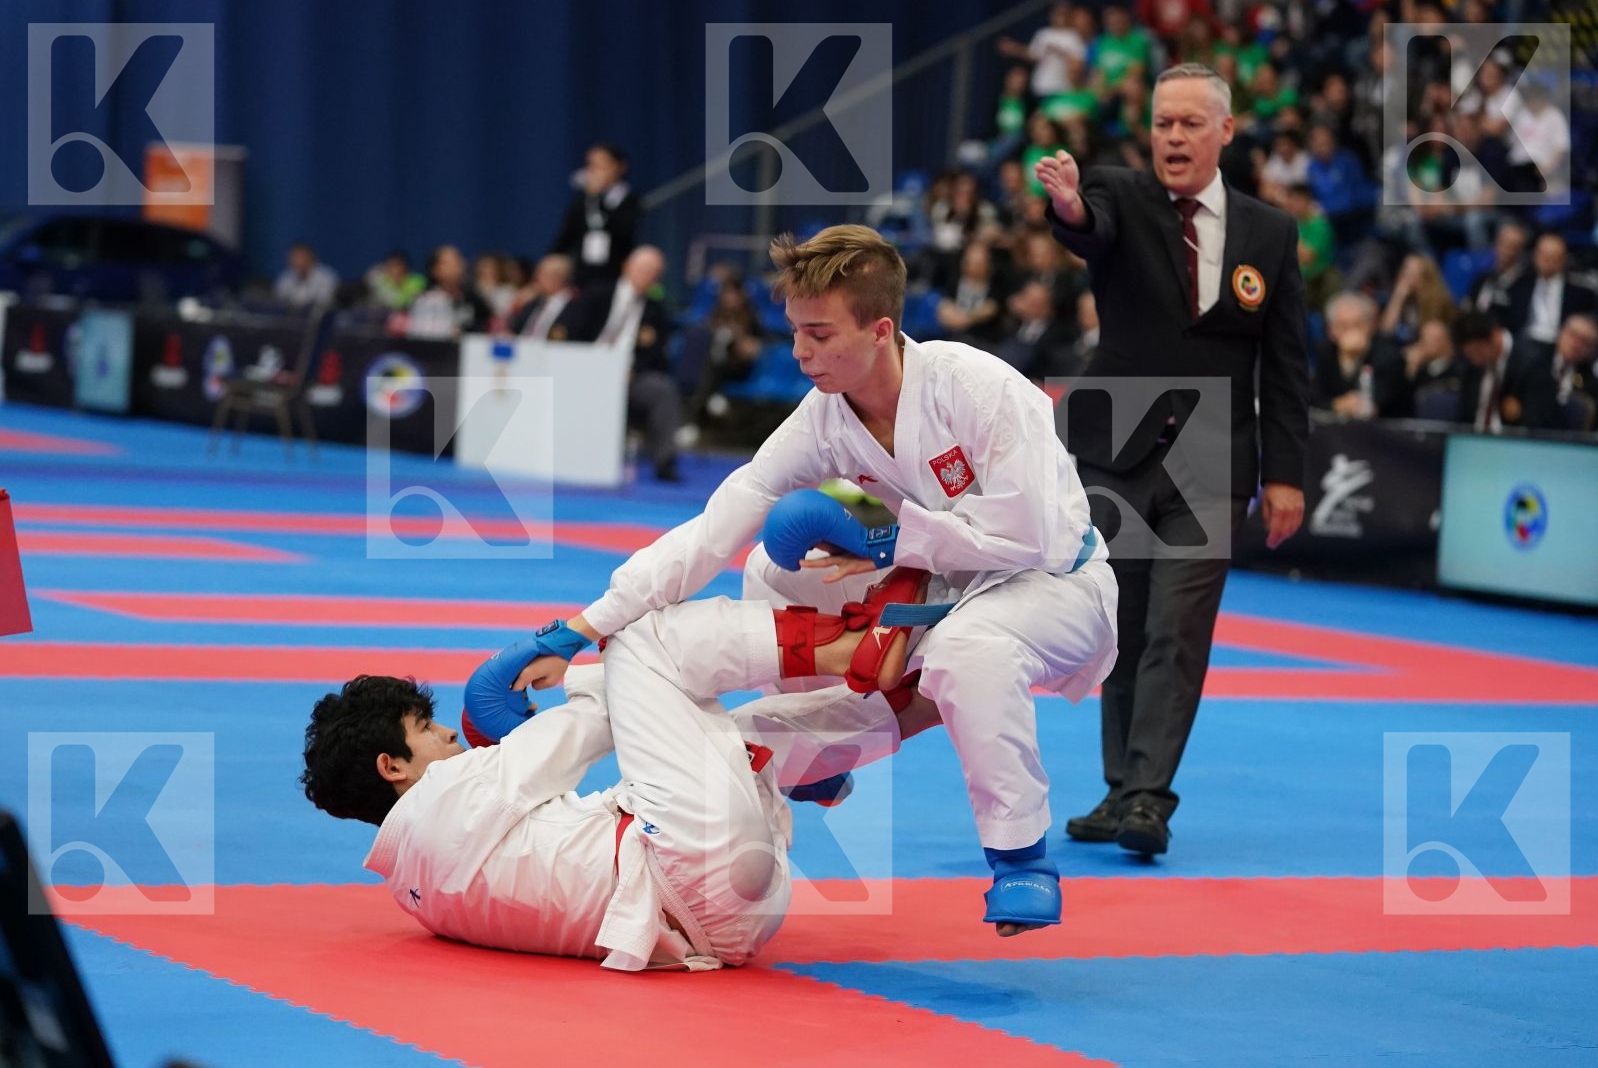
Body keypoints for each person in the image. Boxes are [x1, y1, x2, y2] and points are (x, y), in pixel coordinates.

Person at [487, 223, 1119, 936]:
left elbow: (1039, 535)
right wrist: (581, 627)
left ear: (880, 330)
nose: (799, 353)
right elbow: (712, 529)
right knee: (769, 565)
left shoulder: (978, 389)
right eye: (794, 332)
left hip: (1056, 587)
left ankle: (1020, 858)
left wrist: (890, 542)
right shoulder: (823, 419)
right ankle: (822, 759)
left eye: (819, 334)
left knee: (967, 651)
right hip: (940, 582)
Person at [300, 591, 940, 971]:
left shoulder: (416, 895)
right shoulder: (443, 796)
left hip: (726, 929)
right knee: (639, 640)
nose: (447, 737)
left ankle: (943, 683)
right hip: (691, 859)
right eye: (426, 729)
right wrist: (554, 660)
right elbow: (593, 726)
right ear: (393, 767)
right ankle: (856, 643)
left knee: (752, 733)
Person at [1038, 61, 1309, 858]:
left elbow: (1288, 363)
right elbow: (1087, 224)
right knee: (1117, 626)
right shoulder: (1120, 194)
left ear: (1226, 131)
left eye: (1191, 123)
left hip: (1215, 451)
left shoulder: (1270, 233)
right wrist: (1065, 202)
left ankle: (1150, 800)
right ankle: (1120, 789)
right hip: (1115, 447)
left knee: (1179, 630)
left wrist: (1286, 471)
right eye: (1163, 124)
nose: (1174, 137)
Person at [555, 245, 684, 482]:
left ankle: (665, 462)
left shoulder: (656, 312)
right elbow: (569, 332)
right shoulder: (597, 294)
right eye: (642, 269)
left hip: (630, 378)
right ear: (627, 267)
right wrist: (586, 366)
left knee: (662, 389)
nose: (646, 277)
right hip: (585, 372)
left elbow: (657, 356)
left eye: (652, 273)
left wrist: (633, 371)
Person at [549, 143, 641, 290]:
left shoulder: (631, 201)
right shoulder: (582, 201)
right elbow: (565, 237)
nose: (594, 171)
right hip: (583, 275)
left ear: (620, 167)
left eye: (602, 165)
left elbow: (623, 234)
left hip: (616, 275)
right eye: (591, 165)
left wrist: (598, 199)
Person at [274, 242, 339, 309]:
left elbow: (324, 302)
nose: (295, 260)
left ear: (310, 257)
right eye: (292, 257)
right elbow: (280, 300)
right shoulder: (285, 277)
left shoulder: (327, 277)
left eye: (299, 257)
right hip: (290, 317)